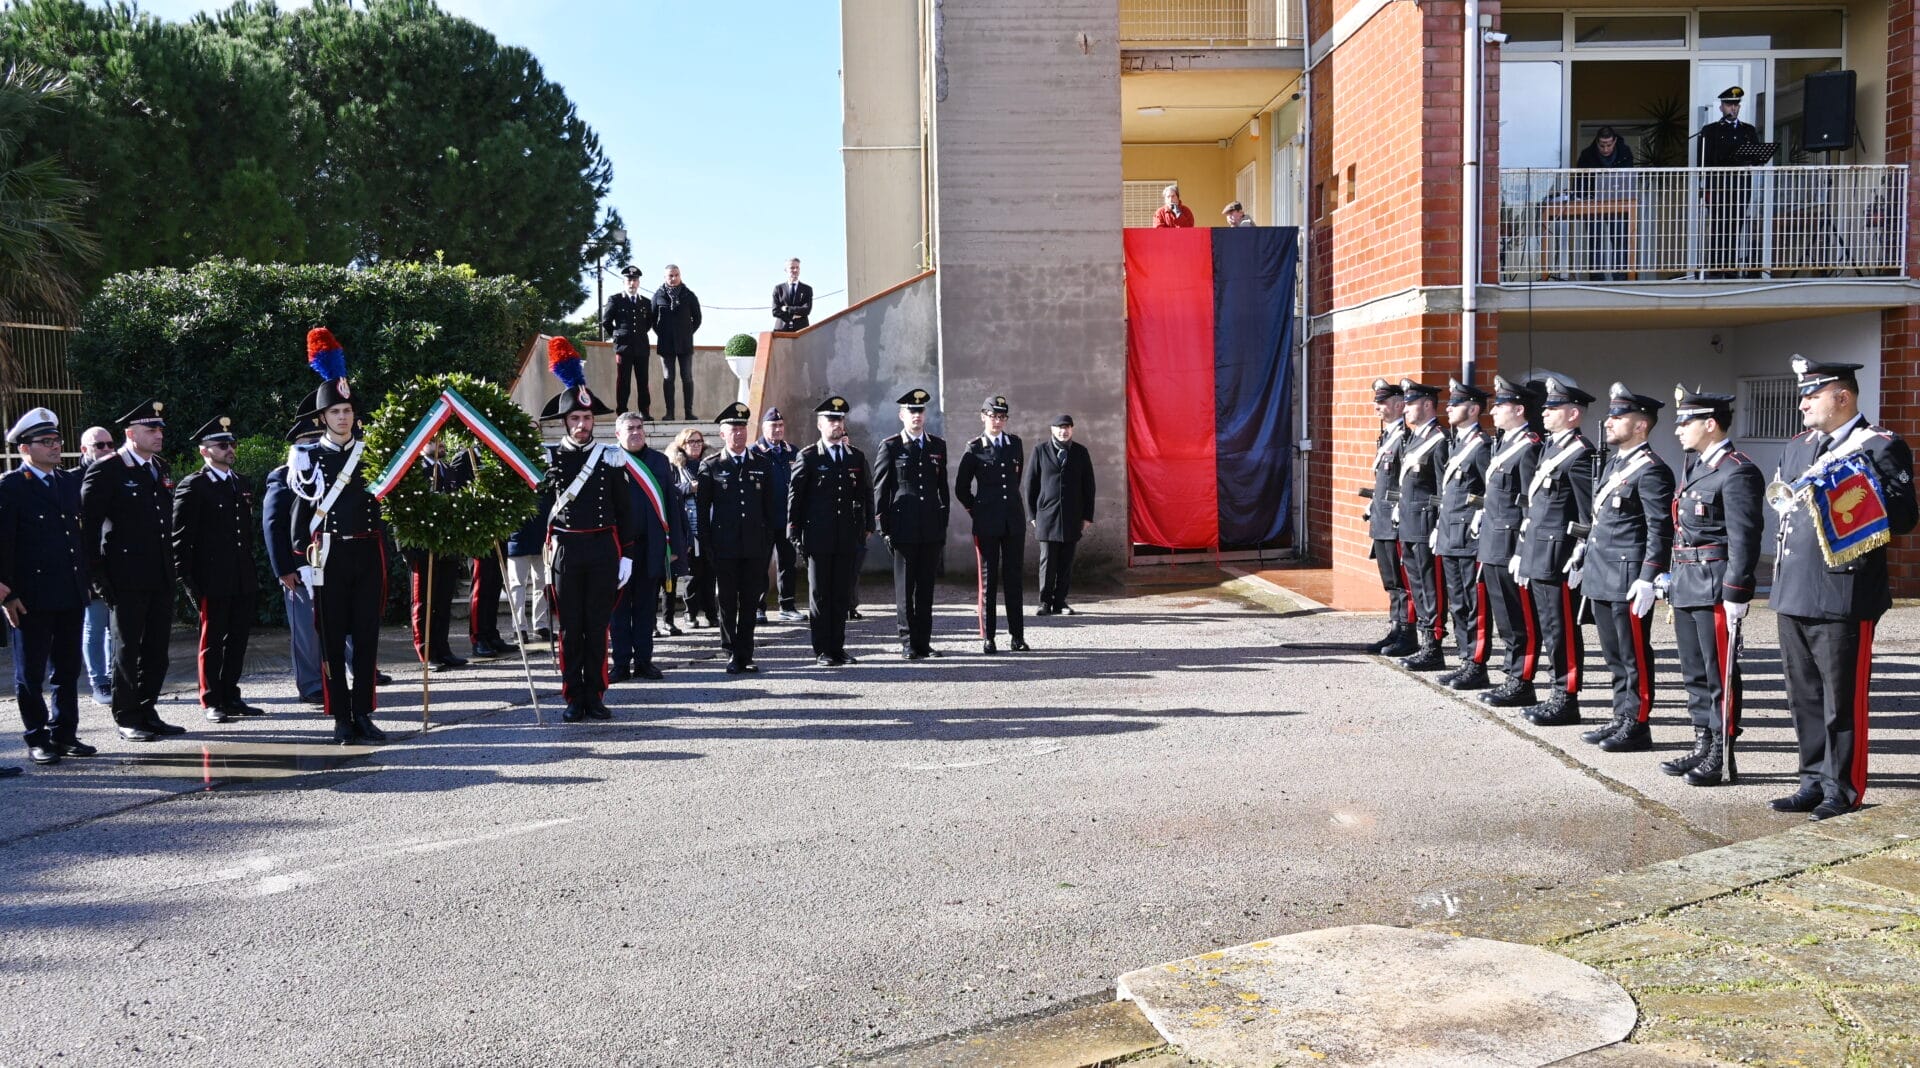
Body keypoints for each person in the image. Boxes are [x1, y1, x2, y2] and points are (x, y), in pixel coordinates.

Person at [1769, 356, 1918, 820]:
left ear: (1843, 396)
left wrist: (1850, 489)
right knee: (1804, 695)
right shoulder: (1797, 447)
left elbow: (1904, 518)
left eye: (1813, 394)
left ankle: (1843, 788)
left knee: (1842, 699)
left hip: (1843, 591)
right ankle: (1812, 780)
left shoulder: (1879, 446)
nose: (1803, 403)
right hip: (1793, 586)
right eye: (1803, 394)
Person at [289, 329, 389, 745]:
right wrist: (300, 563)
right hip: (328, 558)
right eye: (335, 412)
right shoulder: (308, 458)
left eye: (347, 410)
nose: (343, 418)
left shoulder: (374, 452)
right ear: (322, 419)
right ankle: (341, 717)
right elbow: (298, 517)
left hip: (368, 555)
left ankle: (364, 712)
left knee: (366, 639)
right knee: (331, 642)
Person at [1664, 385, 1764, 786]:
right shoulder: (1696, 462)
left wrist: (1737, 592)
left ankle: (1722, 754)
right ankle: (1702, 743)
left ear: (1710, 423)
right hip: (1688, 579)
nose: (1678, 430)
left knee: (1718, 672)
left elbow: (1744, 538)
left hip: (1715, 583)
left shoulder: (1737, 470)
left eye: (1685, 422)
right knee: (1694, 672)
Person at [539, 337, 641, 722]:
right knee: (571, 628)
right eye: (575, 420)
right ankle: (572, 696)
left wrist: (627, 553)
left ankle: (596, 694)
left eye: (587, 419)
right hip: (566, 550)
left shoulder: (610, 457)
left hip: (602, 549)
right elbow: (539, 513)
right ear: (565, 422)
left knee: (598, 627)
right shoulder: (550, 459)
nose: (582, 425)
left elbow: (625, 509)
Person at [1578, 384, 1675, 754]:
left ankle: (1637, 724)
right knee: (1614, 655)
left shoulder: (1652, 470)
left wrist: (1649, 576)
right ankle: (1620, 716)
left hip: (1627, 576)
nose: (1609, 422)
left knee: (1633, 654)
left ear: (1641, 426)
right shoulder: (1615, 463)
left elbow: (1658, 529)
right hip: (1602, 572)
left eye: (1619, 417)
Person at [80, 398, 182, 742]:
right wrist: (96, 575)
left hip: (160, 573)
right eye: (150, 429)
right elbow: (89, 527)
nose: (158, 435)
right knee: (127, 649)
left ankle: (147, 708)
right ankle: (126, 715)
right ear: (130, 433)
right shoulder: (107, 469)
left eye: (160, 430)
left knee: (156, 650)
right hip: (125, 575)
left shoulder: (159, 467)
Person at [0, 408, 93, 766]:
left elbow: (77, 540)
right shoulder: (11, 487)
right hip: (31, 597)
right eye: (46, 442)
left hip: (69, 591)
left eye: (57, 440)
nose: (55, 447)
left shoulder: (67, 482)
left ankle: (65, 733)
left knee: (68, 670)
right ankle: (37, 736)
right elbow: (4, 544)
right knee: (31, 673)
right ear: (25, 448)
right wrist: (8, 594)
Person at [1514, 376, 1596, 727]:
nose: (1545, 413)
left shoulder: (1581, 454)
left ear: (1573, 414)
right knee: (1547, 627)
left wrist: (1580, 552)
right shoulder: (1550, 448)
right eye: (1545, 407)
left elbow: (1587, 512)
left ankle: (1566, 696)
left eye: (1553, 408)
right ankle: (1554, 691)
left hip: (1558, 557)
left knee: (1561, 629)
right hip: (1537, 552)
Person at [171, 415, 264, 723]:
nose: (229, 449)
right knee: (212, 641)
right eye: (222, 445)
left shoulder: (240, 481)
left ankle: (230, 694)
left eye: (232, 444)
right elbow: (181, 539)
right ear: (204, 450)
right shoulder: (195, 485)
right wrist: (188, 580)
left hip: (241, 574)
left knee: (237, 639)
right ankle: (212, 698)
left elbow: (245, 533)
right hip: (211, 577)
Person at [1473, 377, 1544, 709]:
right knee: (1504, 617)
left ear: (1519, 409)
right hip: (1492, 541)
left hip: (1510, 543)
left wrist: (1522, 548)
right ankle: (1511, 676)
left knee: (1520, 619)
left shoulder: (1529, 447)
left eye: (1500, 406)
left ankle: (1522, 679)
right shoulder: (1502, 444)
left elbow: (1531, 504)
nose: (1494, 411)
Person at [788, 395, 872, 665]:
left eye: (840, 419)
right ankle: (822, 649)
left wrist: (867, 525)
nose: (837, 424)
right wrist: (794, 530)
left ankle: (838, 647)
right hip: (818, 537)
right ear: (820, 425)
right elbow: (796, 497)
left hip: (846, 536)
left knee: (841, 595)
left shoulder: (855, 457)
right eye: (831, 420)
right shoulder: (809, 457)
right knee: (820, 595)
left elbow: (865, 493)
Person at [699, 402, 781, 672]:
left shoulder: (761, 463)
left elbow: (770, 510)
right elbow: (703, 513)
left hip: (754, 547)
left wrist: (767, 543)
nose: (739, 434)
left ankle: (745, 652)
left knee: (750, 601)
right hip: (724, 547)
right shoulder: (711, 466)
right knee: (727, 601)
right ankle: (730, 648)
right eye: (733, 429)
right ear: (722, 434)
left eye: (743, 428)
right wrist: (708, 545)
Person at [874, 388, 950, 660]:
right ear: (901, 415)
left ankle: (924, 642)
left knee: (926, 588)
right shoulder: (891, 446)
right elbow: (881, 490)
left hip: (930, 527)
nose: (916, 416)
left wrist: (943, 525)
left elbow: (943, 490)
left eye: (920, 411)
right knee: (905, 589)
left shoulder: (936, 446)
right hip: (903, 527)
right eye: (911, 412)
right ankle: (907, 643)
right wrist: (884, 528)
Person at [609, 411, 683, 683]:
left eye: (640, 427)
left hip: (651, 547)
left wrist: (674, 546)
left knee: (644, 608)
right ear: (618, 433)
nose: (637, 432)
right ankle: (620, 664)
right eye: (630, 428)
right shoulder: (609, 460)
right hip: (619, 551)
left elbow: (672, 508)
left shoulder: (660, 462)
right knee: (618, 610)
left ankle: (644, 661)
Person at [955, 394, 1029, 654]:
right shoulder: (974, 447)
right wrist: (977, 510)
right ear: (983, 417)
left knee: (1014, 579)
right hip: (987, 522)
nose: (997, 421)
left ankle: (1017, 636)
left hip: (1013, 520)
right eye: (992, 416)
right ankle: (989, 636)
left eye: (1001, 417)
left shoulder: (1015, 444)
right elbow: (961, 487)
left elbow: (1015, 480)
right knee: (988, 581)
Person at [264, 418, 326, 706]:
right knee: (306, 631)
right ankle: (311, 685)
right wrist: (284, 570)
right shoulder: (282, 477)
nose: (314, 448)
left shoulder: (330, 473)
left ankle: (330, 680)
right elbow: (274, 525)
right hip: (299, 567)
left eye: (319, 441)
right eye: (309, 443)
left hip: (330, 561)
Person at [1434, 380, 1491, 689]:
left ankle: (1476, 663)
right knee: (1457, 602)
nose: (1449, 408)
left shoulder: (1481, 445)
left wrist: (1479, 515)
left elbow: (1489, 491)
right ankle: (1464, 659)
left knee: (1472, 604)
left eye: (1455, 404)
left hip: (1469, 537)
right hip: (1450, 534)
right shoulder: (1457, 442)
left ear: (1473, 409)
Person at [1393, 380, 1450, 671]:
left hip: (1427, 525)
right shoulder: (1413, 438)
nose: (1406, 408)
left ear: (1428, 405)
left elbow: (1443, 489)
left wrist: (1440, 525)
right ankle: (1424, 638)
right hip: (1409, 523)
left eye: (1411, 403)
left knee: (1431, 587)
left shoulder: (1440, 440)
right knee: (1416, 585)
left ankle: (1434, 645)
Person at [404, 439, 471, 672]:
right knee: (423, 603)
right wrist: (408, 550)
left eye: (442, 439)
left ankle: (443, 649)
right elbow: (400, 512)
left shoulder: (448, 470)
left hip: (448, 549)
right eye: (434, 439)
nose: (440, 443)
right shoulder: (413, 471)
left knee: (443, 602)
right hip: (423, 549)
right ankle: (426, 652)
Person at [1361, 380, 1413, 655]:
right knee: (1390, 580)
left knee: (1402, 580)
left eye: (1382, 403)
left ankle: (1406, 631)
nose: (1377, 407)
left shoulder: (1405, 438)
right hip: (1381, 518)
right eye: (1376, 402)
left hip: (1395, 520)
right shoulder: (1385, 437)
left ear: (1398, 404)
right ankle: (1395, 628)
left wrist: (1395, 507)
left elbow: (1405, 482)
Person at [1026, 413, 1095, 616]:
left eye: (1067, 427)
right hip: (1047, 516)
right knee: (1047, 561)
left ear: (1072, 429)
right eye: (1059, 428)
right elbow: (1030, 484)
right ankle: (1045, 602)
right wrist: (1032, 514)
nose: (1063, 431)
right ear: (1052, 430)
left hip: (1073, 516)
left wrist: (1087, 515)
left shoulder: (1081, 452)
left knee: (1066, 562)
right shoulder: (1040, 451)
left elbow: (1089, 486)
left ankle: (1060, 601)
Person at [1698, 86, 1763, 279]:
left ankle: (1731, 267)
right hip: (1719, 186)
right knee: (1719, 226)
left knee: (1735, 226)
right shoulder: (1711, 131)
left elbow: (1758, 157)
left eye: (1736, 105)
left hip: (1740, 187)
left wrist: (1749, 159)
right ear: (1721, 107)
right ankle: (1717, 268)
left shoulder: (1748, 130)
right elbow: (1706, 160)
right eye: (1729, 105)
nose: (1732, 109)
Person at [73, 425, 116, 705]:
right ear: (84, 450)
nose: (106, 449)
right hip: (89, 562)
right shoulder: (73, 480)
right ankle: (99, 681)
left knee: (117, 626)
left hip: (117, 561)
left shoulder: (118, 474)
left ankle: (116, 676)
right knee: (95, 624)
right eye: (98, 445)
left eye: (110, 444)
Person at [752, 407, 804, 622]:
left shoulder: (793, 451)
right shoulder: (755, 452)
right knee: (760, 565)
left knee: (787, 563)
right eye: (773, 426)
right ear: (764, 428)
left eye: (781, 426)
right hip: (764, 520)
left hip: (787, 519)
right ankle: (758, 607)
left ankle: (787, 605)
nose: (778, 429)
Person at [668, 427, 716, 629]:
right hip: (689, 528)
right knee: (693, 575)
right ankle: (690, 613)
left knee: (710, 574)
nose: (695, 445)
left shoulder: (711, 464)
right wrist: (690, 487)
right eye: (691, 442)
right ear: (682, 445)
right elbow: (669, 490)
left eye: (698, 441)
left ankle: (712, 614)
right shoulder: (675, 467)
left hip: (710, 525)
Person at [1572, 127, 1635, 279]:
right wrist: (1584, 197)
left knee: (1620, 241)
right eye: (1602, 145)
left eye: (1608, 145)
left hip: (1618, 203)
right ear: (1597, 142)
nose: (1605, 149)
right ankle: (1597, 279)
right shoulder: (1587, 155)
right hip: (1594, 204)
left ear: (1614, 141)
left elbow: (1628, 179)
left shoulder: (1625, 152)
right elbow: (1580, 181)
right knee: (1595, 242)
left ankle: (1620, 279)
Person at [652, 265, 703, 420]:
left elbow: (697, 318)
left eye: (676, 275)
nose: (673, 278)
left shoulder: (689, 295)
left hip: (685, 344)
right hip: (666, 344)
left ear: (680, 275)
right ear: (665, 277)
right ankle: (670, 413)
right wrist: (662, 333)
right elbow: (652, 319)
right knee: (668, 378)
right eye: (670, 276)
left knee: (687, 377)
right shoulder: (658, 295)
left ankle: (689, 412)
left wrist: (687, 333)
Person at [604, 265, 655, 416]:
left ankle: (644, 412)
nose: (632, 283)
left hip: (641, 347)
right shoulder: (615, 299)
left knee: (643, 382)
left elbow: (649, 322)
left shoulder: (646, 302)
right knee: (623, 381)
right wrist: (617, 335)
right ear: (624, 282)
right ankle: (622, 411)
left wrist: (638, 334)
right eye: (629, 280)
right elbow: (606, 322)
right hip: (623, 348)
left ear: (638, 282)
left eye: (635, 280)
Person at [503, 508, 550, 646]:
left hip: (542, 538)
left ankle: (541, 625)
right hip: (518, 539)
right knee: (517, 585)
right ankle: (519, 627)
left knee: (542, 584)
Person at [772, 258, 813, 331]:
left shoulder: (807, 289)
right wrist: (793, 316)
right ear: (786, 270)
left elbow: (807, 310)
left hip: (801, 330)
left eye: (797, 268)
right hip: (781, 330)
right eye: (792, 268)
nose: (795, 270)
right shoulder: (778, 289)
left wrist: (787, 309)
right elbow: (775, 311)